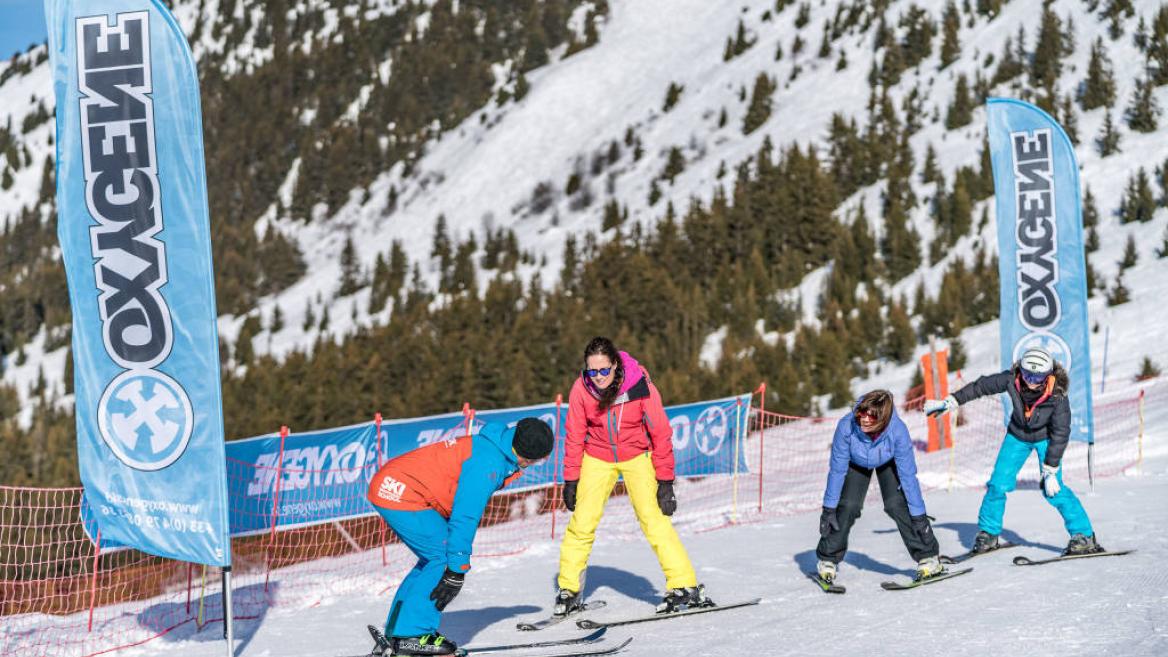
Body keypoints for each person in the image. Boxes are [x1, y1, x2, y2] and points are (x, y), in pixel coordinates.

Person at [366, 418, 554, 656]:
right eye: (537, 461)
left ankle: (400, 632)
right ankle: (412, 635)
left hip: (400, 486)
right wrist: (457, 569)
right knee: (443, 557)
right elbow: (465, 517)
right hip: (400, 492)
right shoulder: (489, 463)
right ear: (527, 457)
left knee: (432, 558)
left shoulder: (498, 445)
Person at [554, 336, 713, 616]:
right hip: (598, 456)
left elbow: (661, 433)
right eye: (592, 371)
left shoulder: (640, 386)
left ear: (615, 365)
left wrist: (665, 482)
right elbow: (575, 435)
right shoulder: (581, 389)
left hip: (637, 455)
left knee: (654, 521)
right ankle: (569, 590)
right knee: (582, 523)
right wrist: (571, 478)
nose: (598, 377)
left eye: (604, 370)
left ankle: (683, 585)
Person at [925, 347, 1100, 556]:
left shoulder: (1058, 395)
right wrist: (953, 400)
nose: (1031, 381)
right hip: (1017, 436)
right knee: (998, 483)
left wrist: (1051, 469)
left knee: (1053, 489)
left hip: (1046, 438)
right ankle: (988, 533)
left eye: (1037, 376)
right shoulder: (1011, 380)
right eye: (1027, 374)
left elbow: (1061, 432)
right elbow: (981, 386)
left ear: (1047, 376)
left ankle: (1084, 535)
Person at [816, 389, 942, 584]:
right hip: (856, 463)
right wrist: (828, 508)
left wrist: (919, 516)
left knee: (895, 504)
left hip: (887, 461)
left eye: (871, 416)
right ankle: (827, 558)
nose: (864, 420)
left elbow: (908, 477)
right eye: (861, 413)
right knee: (848, 505)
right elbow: (837, 470)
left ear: (882, 418)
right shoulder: (846, 427)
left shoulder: (898, 431)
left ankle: (928, 556)